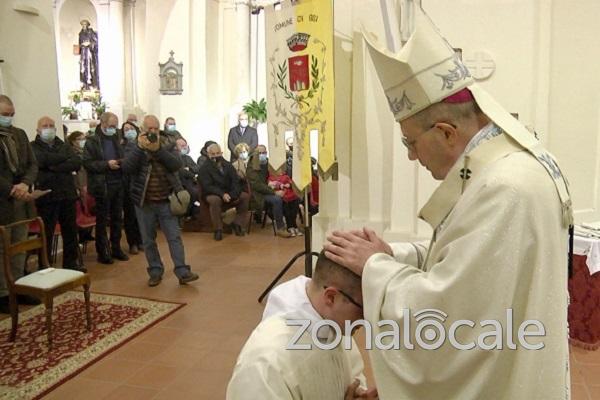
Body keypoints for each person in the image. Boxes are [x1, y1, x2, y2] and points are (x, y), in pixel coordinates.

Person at [324, 11, 572, 400]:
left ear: (446, 132)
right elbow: (461, 259)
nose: (410, 156)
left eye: (409, 142)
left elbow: (446, 313)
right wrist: (393, 255)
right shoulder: (499, 170)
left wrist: (374, 266)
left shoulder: (505, 187)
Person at [227, 252, 377, 400]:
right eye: (363, 308)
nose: (366, 320)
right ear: (331, 297)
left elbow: (352, 376)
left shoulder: (334, 323)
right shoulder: (266, 363)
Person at [122, 115, 199, 287]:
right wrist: (140, 149)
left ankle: (182, 271)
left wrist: (158, 150)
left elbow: (176, 164)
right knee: (148, 239)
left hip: (166, 199)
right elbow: (127, 168)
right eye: (149, 129)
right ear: (142, 129)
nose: (153, 132)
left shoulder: (168, 143)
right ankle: (155, 271)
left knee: (174, 237)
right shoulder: (134, 145)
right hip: (144, 201)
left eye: (156, 129)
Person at [0, 95, 40, 313]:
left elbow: (32, 164)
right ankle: (3, 293)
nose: (9, 118)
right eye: (4, 115)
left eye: (11, 114)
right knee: (2, 249)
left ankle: (19, 286)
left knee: (20, 246)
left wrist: (25, 184)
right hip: (3, 201)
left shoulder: (20, 134)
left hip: (22, 201)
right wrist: (12, 189)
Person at [31, 116, 84, 272]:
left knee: (70, 231)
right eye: (45, 125)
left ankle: (70, 263)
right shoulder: (32, 146)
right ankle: (45, 265)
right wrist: (62, 161)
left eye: (51, 125)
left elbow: (76, 162)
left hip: (67, 194)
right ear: (38, 130)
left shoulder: (63, 144)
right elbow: (39, 160)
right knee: (46, 233)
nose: (49, 128)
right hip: (47, 196)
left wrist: (52, 165)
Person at [83, 112, 129, 264]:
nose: (113, 129)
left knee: (117, 218)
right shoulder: (92, 141)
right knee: (102, 221)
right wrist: (106, 164)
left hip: (118, 182)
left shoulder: (116, 138)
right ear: (102, 124)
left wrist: (121, 162)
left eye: (115, 126)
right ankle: (103, 251)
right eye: (110, 126)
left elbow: (122, 156)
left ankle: (116, 247)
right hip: (102, 185)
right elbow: (88, 163)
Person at [198, 143, 250, 241]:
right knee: (215, 200)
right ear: (208, 154)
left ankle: (237, 223)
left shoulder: (228, 165)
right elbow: (207, 186)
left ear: (221, 153)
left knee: (245, 196)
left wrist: (232, 194)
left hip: (228, 192)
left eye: (217, 153)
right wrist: (222, 194)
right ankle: (218, 229)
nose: (215, 156)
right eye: (213, 154)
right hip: (213, 193)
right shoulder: (204, 168)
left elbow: (235, 181)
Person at [246, 145, 291, 238]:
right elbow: (257, 185)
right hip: (259, 194)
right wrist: (274, 192)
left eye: (264, 153)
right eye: (260, 153)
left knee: (291, 196)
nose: (263, 155)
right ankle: (280, 228)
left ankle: (291, 225)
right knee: (277, 199)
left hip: (270, 188)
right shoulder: (251, 166)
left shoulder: (266, 163)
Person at [67, 130, 95, 243]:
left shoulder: (86, 153)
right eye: (79, 139)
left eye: (84, 139)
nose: (82, 141)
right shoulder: (71, 154)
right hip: (79, 183)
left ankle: (87, 233)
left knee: (89, 207)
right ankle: (81, 234)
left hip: (88, 182)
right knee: (80, 208)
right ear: (73, 141)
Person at [120, 122, 143, 254]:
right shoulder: (121, 146)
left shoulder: (142, 144)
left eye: (131, 129)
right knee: (129, 215)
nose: (129, 131)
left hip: (140, 183)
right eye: (126, 130)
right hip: (127, 184)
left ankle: (141, 241)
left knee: (140, 216)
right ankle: (132, 243)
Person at [267, 168, 302, 236]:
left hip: (291, 195)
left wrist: (289, 184)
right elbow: (271, 186)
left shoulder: (286, 176)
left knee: (294, 208)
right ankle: (290, 226)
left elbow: (291, 183)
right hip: (281, 195)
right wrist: (281, 185)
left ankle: (294, 225)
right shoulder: (271, 177)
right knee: (287, 209)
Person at [175, 137, 200, 216]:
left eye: (185, 145)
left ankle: (196, 213)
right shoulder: (174, 158)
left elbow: (197, 168)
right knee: (194, 193)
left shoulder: (188, 157)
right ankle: (189, 214)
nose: (185, 147)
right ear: (176, 147)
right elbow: (181, 172)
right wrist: (192, 174)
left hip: (192, 182)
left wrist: (190, 168)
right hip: (182, 183)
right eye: (182, 146)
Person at [78, 19, 99, 90]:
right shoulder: (80, 34)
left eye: (85, 24)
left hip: (89, 52)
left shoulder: (91, 32)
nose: (84, 26)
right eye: (82, 24)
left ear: (87, 25)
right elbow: (79, 45)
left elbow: (96, 42)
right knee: (82, 69)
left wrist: (89, 43)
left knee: (91, 68)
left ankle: (93, 84)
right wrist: (81, 47)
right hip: (83, 53)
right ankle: (85, 84)